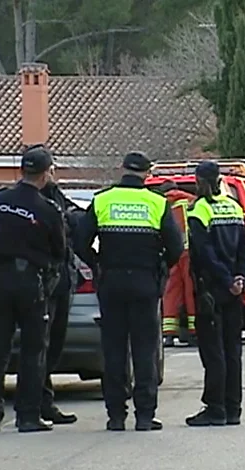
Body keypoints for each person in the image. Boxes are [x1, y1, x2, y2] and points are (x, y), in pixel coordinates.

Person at [77, 152, 183, 432]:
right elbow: (176, 247)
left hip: (111, 282)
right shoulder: (157, 203)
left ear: (122, 169)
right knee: (144, 350)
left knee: (114, 350)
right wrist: (160, 267)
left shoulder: (102, 200)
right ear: (147, 174)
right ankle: (145, 416)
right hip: (145, 283)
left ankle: (115, 415)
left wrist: (96, 263)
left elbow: (79, 240)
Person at [0, 145, 65, 433]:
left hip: (0, 280)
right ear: (46, 173)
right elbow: (59, 249)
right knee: (33, 350)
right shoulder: (48, 209)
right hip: (31, 284)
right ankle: (28, 415)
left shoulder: (0, 199)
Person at [185, 161, 245, 427]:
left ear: (200, 181)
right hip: (234, 290)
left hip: (212, 290)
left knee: (214, 350)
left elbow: (204, 253)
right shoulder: (234, 207)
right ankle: (233, 408)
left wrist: (226, 280)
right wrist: (240, 278)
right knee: (232, 349)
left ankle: (215, 408)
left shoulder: (200, 209)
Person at [38, 172, 90, 425]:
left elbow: (77, 217)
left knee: (52, 345)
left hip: (59, 281)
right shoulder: (31, 202)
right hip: (44, 282)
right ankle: (38, 405)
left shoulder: (55, 196)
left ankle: (43, 402)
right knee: (40, 345)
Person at [158, 180, 198, 347]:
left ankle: (168, 334)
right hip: (191, 252)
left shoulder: (161, 204)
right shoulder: (192, 201)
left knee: (171, 292)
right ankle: (194, 331)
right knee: (191, 291)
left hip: (172, 251)